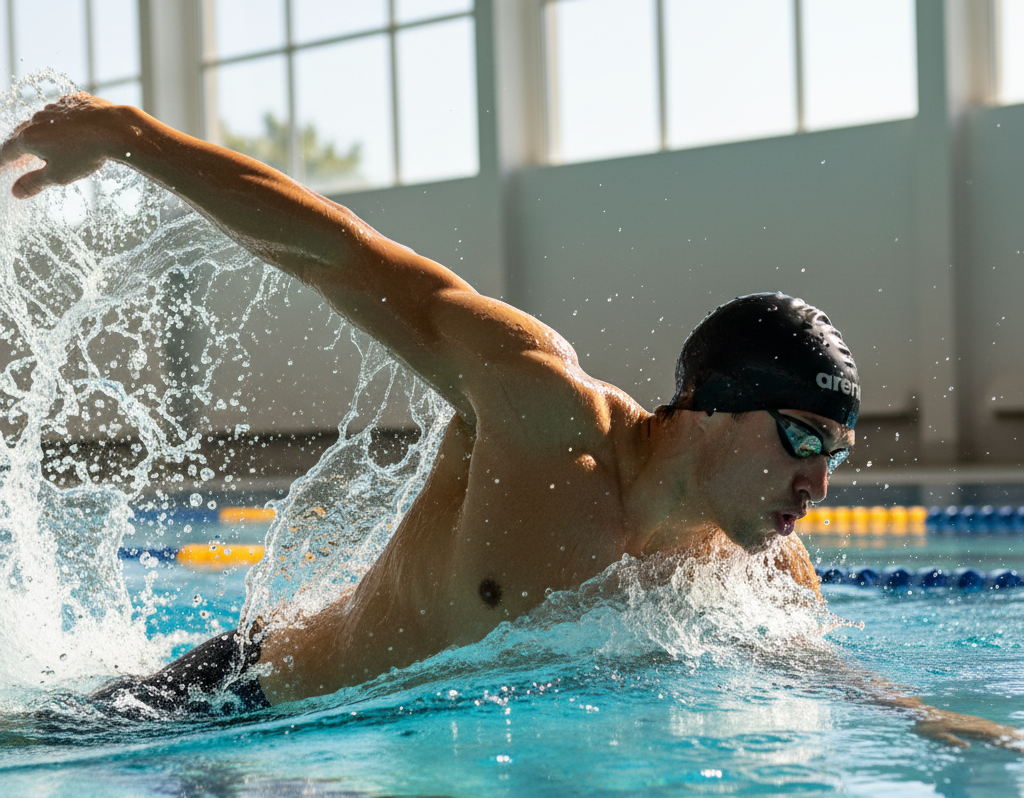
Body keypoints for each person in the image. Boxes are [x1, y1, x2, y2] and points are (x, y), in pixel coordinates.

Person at [1, 94, 1020, 751]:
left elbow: (821, 678)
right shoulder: (541, 413)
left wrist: (931, 724)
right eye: (802, 438)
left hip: (347, 773)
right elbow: (341, 255)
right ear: (707, 407)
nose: (820, 484)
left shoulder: (755, 573)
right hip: (228, 705)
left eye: (837, 454)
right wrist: (127, 137)